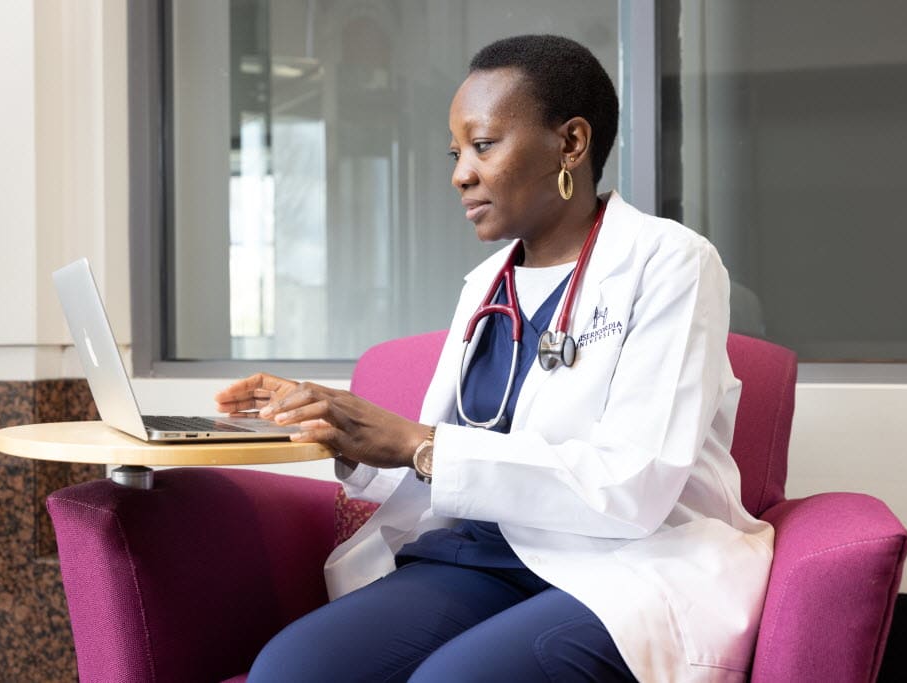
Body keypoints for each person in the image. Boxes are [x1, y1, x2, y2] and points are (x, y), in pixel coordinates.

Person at [215, 34, 773, 682]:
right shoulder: (486, 286)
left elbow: (634, 485)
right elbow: (451, 464)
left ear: (570, 143)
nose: (460, 173)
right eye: (457, 153)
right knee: (290, 669)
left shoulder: (671, 264)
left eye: (483, 145)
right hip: (482, 555)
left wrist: (421, 442)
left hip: (619, 563)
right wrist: (343, 431)